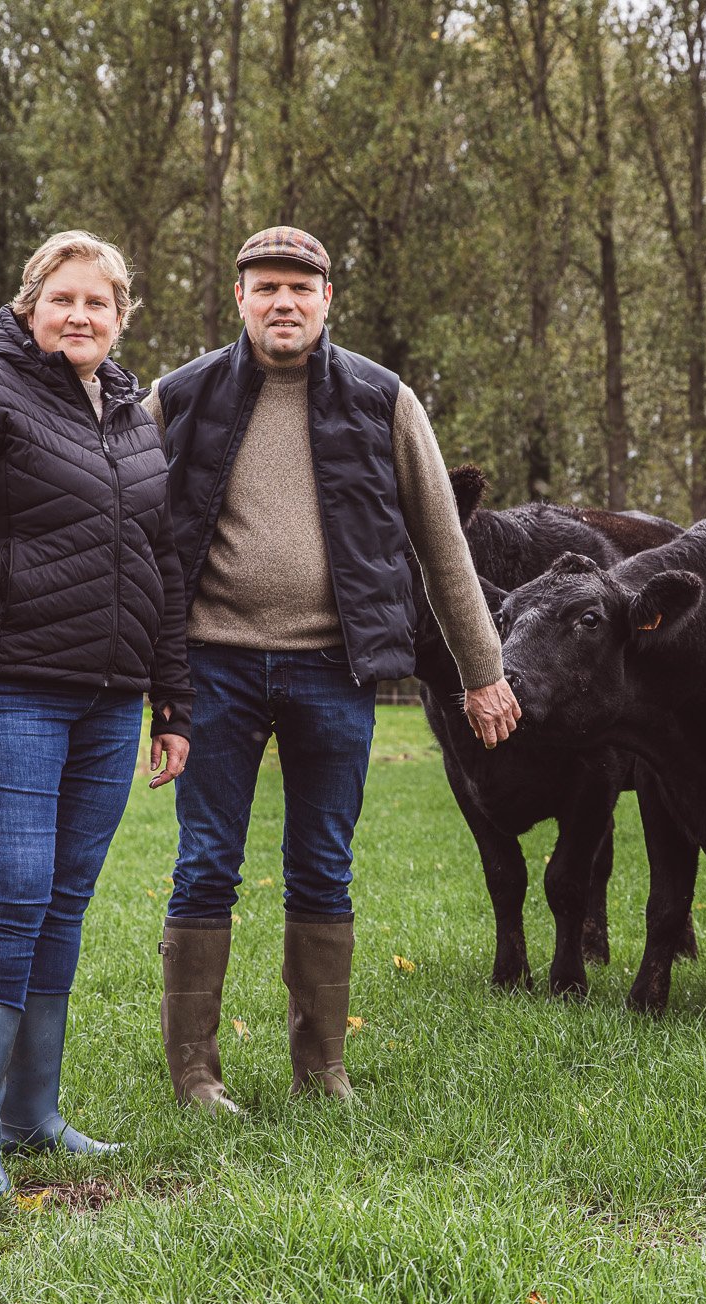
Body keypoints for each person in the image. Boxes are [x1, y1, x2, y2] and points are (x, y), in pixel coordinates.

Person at [149, 226, 518, 1108]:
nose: (284, 302)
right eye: (266, 286)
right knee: (207, 863)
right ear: (238, 297)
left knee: (324, 862)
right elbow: (129, 535)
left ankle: (323, 1070)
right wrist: (139, 675)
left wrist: (483, 668)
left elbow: (442, 546)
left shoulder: (383, 400)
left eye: (300, 289)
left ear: (326, 301)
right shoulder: (179, 397)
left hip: (336, 669)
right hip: (214, 667)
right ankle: (195, 1072)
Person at [0, 230, 194, 1196]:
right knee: (11, 887)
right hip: (5, 686)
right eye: (62, 298)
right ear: (30, 306)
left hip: (108, 703)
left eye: (99, 304)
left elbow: (161, 564)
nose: (81, 316)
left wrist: (172, 700)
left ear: (120, 317)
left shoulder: (131, 417)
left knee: (63, 898)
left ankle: (35, 1114)